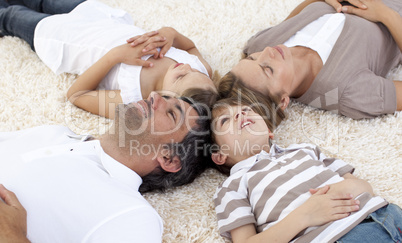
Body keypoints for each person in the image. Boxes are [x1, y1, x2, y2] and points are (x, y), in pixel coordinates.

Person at [0, 91, 213, 242]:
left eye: (171, 113)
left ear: (169, 159)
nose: (155, 96)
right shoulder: (56, 133)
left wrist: (12, 236)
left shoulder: (132, 217)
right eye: (164, 97)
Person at [209, 96, 402, 242]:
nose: (240, 114)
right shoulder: (232, 186)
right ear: (219, 155)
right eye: (225, 121)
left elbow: (363, 186)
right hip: (333, 236)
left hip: (385, 214)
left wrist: (334, 193)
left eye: (246, 109)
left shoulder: (304, 149)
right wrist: (305, 215)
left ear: (269, 131)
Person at [0, 0, 217, 119]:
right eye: (194, 71)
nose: (186, 66)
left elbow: (76, 95)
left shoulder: (134, 98)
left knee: (12, 16)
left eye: (181, 76)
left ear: (165, 99)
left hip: (66, 38)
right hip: (95, 16)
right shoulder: (200, 70)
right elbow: (190, 47)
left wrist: (114, 56)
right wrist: (171, 33)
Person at [217, 0, 402, 120]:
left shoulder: (261, 44)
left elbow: (300, 15)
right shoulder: (346, 91)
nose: (267, 52)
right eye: (268, 69)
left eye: (252, 58)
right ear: (283, 101)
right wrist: (386, 15)